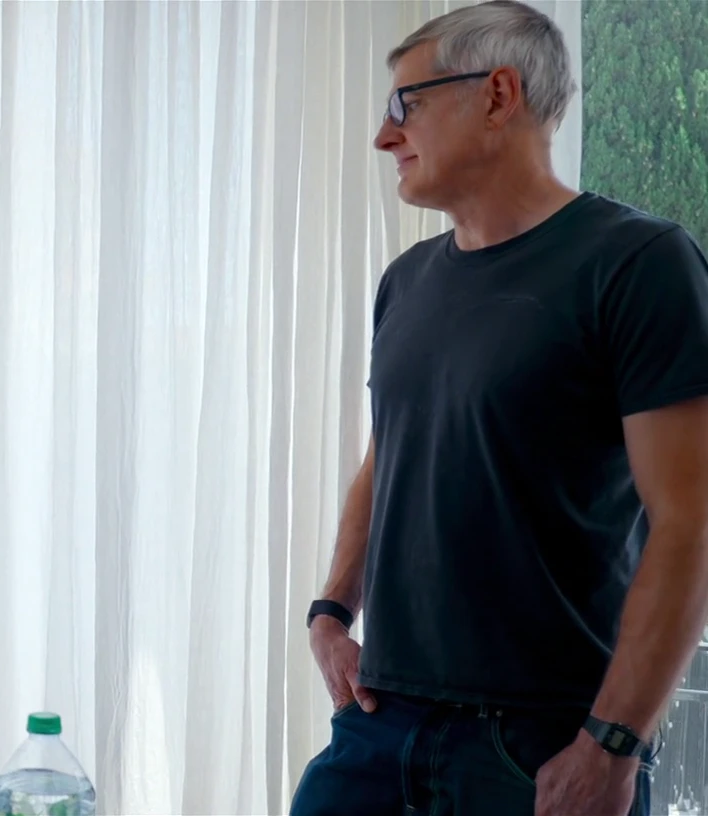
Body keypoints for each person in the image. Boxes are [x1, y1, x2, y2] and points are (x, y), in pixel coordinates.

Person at [290, 2, 708, 815]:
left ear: (498, 95)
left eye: (404, 103)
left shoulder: (639, 264)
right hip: (380, 724)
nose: (383, 136)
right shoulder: (406, 280)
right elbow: (389, 455)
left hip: (541, 743)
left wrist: (613, 745)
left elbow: (689, 523)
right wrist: (331, 611)